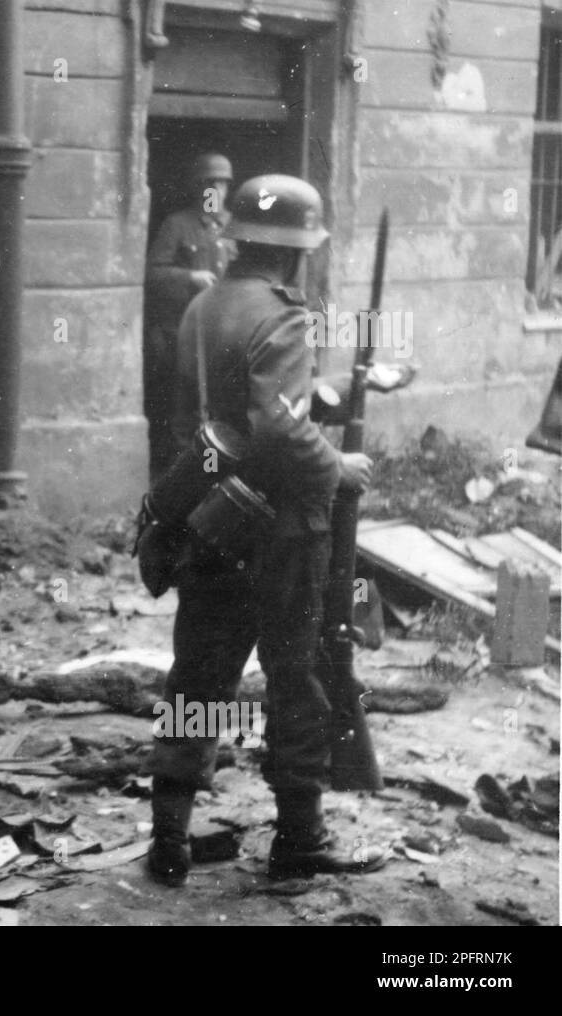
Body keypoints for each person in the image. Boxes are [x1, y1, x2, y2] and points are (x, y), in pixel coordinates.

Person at [146, 174, 389, 885]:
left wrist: (324, 394)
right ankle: (300, 841)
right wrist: (338, 464)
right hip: (279, 529)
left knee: (197, 680)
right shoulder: (284, 317)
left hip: (207, 522)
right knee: (299, 675)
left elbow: (226, 409)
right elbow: (278, 427)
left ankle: (169, 837)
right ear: (296, 253)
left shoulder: (203, 304)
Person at [144, 153, 235, 483]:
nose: (216, 191)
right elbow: (153, 273)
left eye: (222, 184)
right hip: (182, 333)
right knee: (184, 406)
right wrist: (189, 278)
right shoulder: (177, 225)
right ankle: (180, 475)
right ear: (196, 189)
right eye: (209, 184)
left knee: (221, 403)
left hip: (223, 334)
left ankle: (214, 469)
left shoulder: (234, 227)